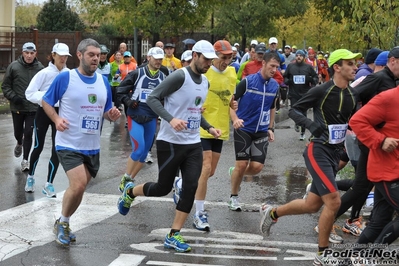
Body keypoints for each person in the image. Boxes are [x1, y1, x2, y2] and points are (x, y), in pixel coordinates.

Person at [259, 49, 361, 265]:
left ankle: (273, 213)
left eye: (356, 63)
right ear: (337, 67)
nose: (355, 67)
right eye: (350, 63)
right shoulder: (322, 90)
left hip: (334, 153)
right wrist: (313, 126)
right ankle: (322, 255)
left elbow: (352, 122)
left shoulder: (353, 94)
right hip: (318, 151)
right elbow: (295, 110)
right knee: (333, 202)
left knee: (312, 204)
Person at [117, 40, 220, 253]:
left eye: (211, 60)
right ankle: (130, 192)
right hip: (170, 141)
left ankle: (174, 235)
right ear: (195, 56)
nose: (209, 64)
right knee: (163, 188)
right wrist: (171, 119)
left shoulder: (205, 82)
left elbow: (194, 110)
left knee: (191, 185)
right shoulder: (179, 76)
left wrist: (209, 128)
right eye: (206, 59)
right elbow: (154, 98)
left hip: (192, 143)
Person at [42, 38, 121, 246]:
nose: (96, 58)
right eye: (91, 55)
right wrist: (57, 119)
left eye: (98, 55)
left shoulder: (103, 81)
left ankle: (62, 221)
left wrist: (111, 114)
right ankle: (64, 223)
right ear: (79, 55)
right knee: (77, 185)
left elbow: (107, 110)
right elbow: (46, 101)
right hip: (68, 142)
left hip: (92, 145)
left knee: (81, 186)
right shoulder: (66, 78)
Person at [174, 40, 236, 231]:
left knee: (210, 172)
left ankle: (181, 182)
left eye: (230, 57)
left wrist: (234, 111)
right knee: (205, 167)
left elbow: (229, 99)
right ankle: (199, 213)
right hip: (200, 126)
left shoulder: (232, 74)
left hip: (220, 128)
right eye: (223, 57)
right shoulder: (204, 71)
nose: (226, 61)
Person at [349, 83, 399, 253]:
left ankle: (351, 259)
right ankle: (370, 256)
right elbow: (357, 121)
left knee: (379, 222)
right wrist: (381, 140)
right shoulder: (388, 98)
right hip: (387, 170)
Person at [228, 52, 280, 211]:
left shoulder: (275, 86)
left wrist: (271, 128)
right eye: (272, 66)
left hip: (261, 130)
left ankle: (236, 172)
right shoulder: (247, 82)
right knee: (242, 163)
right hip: (243, 128)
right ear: (263, 63)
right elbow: (230, 102)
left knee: (257, 167)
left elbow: (272, 107)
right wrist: (235, 119)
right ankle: (234, 197)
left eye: (277, 67)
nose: (274, 70)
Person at [116, 47, 167, 193]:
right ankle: (126, 178)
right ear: (149, 57)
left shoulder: (164, 77)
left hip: (151, 118)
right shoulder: (137, 73)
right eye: (156, 58)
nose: (158, 61)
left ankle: (130, 179)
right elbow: (120, 90)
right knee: (138, 150)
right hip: (136, 116)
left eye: (160, 59)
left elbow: (168, 97)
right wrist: (128, 101)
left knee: (144, 154)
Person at [24, 43, 71, 195]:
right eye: (61, 55)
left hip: (60, 114)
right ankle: (30, 177)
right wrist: (46, 98)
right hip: (44, 112)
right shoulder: (44, 73)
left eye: (66, 56)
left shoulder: (70, 74)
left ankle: (49, 184)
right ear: (53, 55)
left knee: (57, 149)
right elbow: (29, 93)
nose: (63, 58)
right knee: (38, 146)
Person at [2, 42, 44, 172]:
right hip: (18, 107)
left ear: (36, 53)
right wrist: (13, 97)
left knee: (29, 133)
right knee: (18, 133)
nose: (29, 56)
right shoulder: (13, 67)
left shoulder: (40, 68)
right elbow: (5, 86)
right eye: (27, 53)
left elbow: (44, 87)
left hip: (33, 107)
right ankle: (19, 143)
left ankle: (25, 160)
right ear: (22, 53)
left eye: (32, 53)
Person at [283, 49, 318, 140]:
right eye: (297, 55)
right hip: (294, 93)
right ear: (295, 57)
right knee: (294, 111)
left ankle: (302, 132)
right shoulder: (291, 66)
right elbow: (285, 76)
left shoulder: (308, 67)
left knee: (303, 113)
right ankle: (297, 122)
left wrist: (312, 83)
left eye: (300, 56)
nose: (298, 57)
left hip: (304, 94)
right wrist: (287, 81)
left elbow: (315, 77)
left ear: (304, 57)